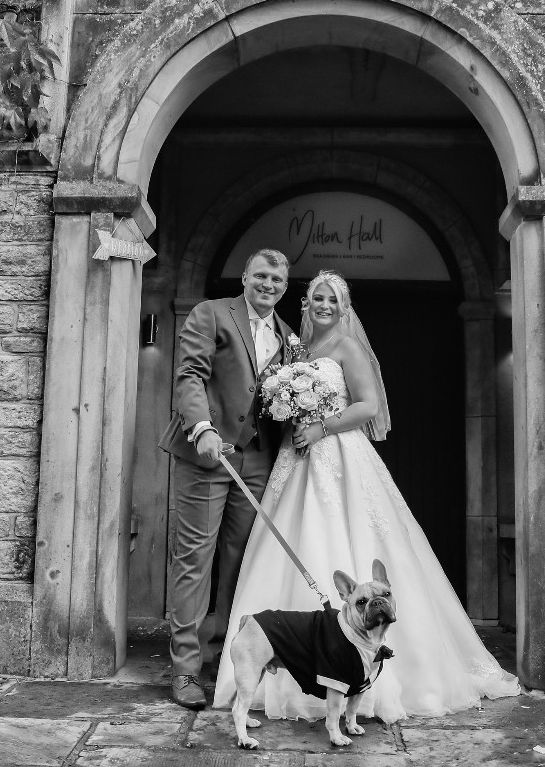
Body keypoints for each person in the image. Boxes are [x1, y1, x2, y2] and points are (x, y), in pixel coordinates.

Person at [213, 270, 519, 721]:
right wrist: (288, 407)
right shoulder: (298, 348)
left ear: (344, 307)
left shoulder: (347, 347)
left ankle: (370, 672)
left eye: (333, 300)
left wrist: (321, 427)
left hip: (338, 455)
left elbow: (368, 406)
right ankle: (276, 663)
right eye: (318, 298)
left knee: (345, 533)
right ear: (306, 302)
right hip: (296, 458)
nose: (325, 306)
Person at [159, 248, 294, 709]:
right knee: (195, 559)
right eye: (261, 275)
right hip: (208, 455)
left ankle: (223, 657)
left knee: (240, 561)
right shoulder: (211, 313)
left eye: (277, 279)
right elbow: (190, 375)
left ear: (285, 286)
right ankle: (185, 668)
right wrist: (201, 427)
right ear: (245, 276)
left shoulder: (288, 335)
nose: (268, 285)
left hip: (257, 460)